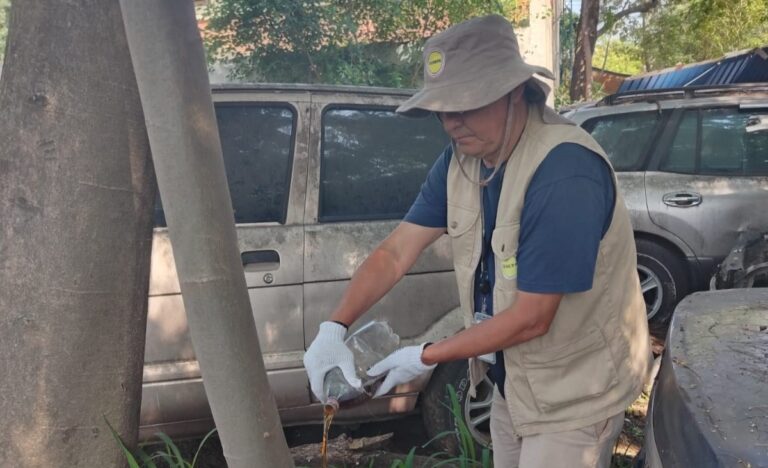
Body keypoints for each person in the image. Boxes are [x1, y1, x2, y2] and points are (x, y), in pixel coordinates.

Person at [303, 14, 652, 468]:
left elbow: (532, 317)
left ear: (514, 91)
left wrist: (425, 356)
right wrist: (334, 328)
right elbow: (395, 252)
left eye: (464, 105)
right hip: (513, 379)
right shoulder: (463, 159)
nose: (451, 123)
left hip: (575, 392)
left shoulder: (565, 171)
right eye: (442, 110)